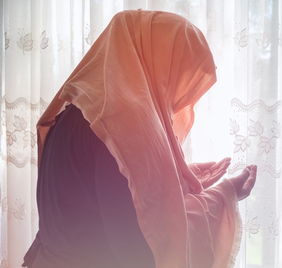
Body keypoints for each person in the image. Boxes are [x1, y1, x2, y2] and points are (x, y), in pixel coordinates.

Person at [23, 10, 257, 268]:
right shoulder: (115, 130)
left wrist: (177, 181)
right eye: (176, 78)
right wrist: (226, 193)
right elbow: (139, 249)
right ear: (156, 68)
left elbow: (97, 198)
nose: (176, 101)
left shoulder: (80, 113)